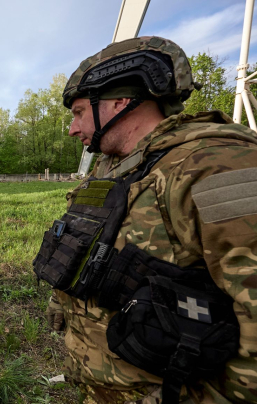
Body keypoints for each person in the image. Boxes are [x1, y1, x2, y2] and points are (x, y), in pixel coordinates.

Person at [34, 36, 257, 403]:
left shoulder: (215, 164)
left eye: (77, 112)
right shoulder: (112, 169)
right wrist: (63, 301)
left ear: (118, 102)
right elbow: (84, 245)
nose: (72, 129)